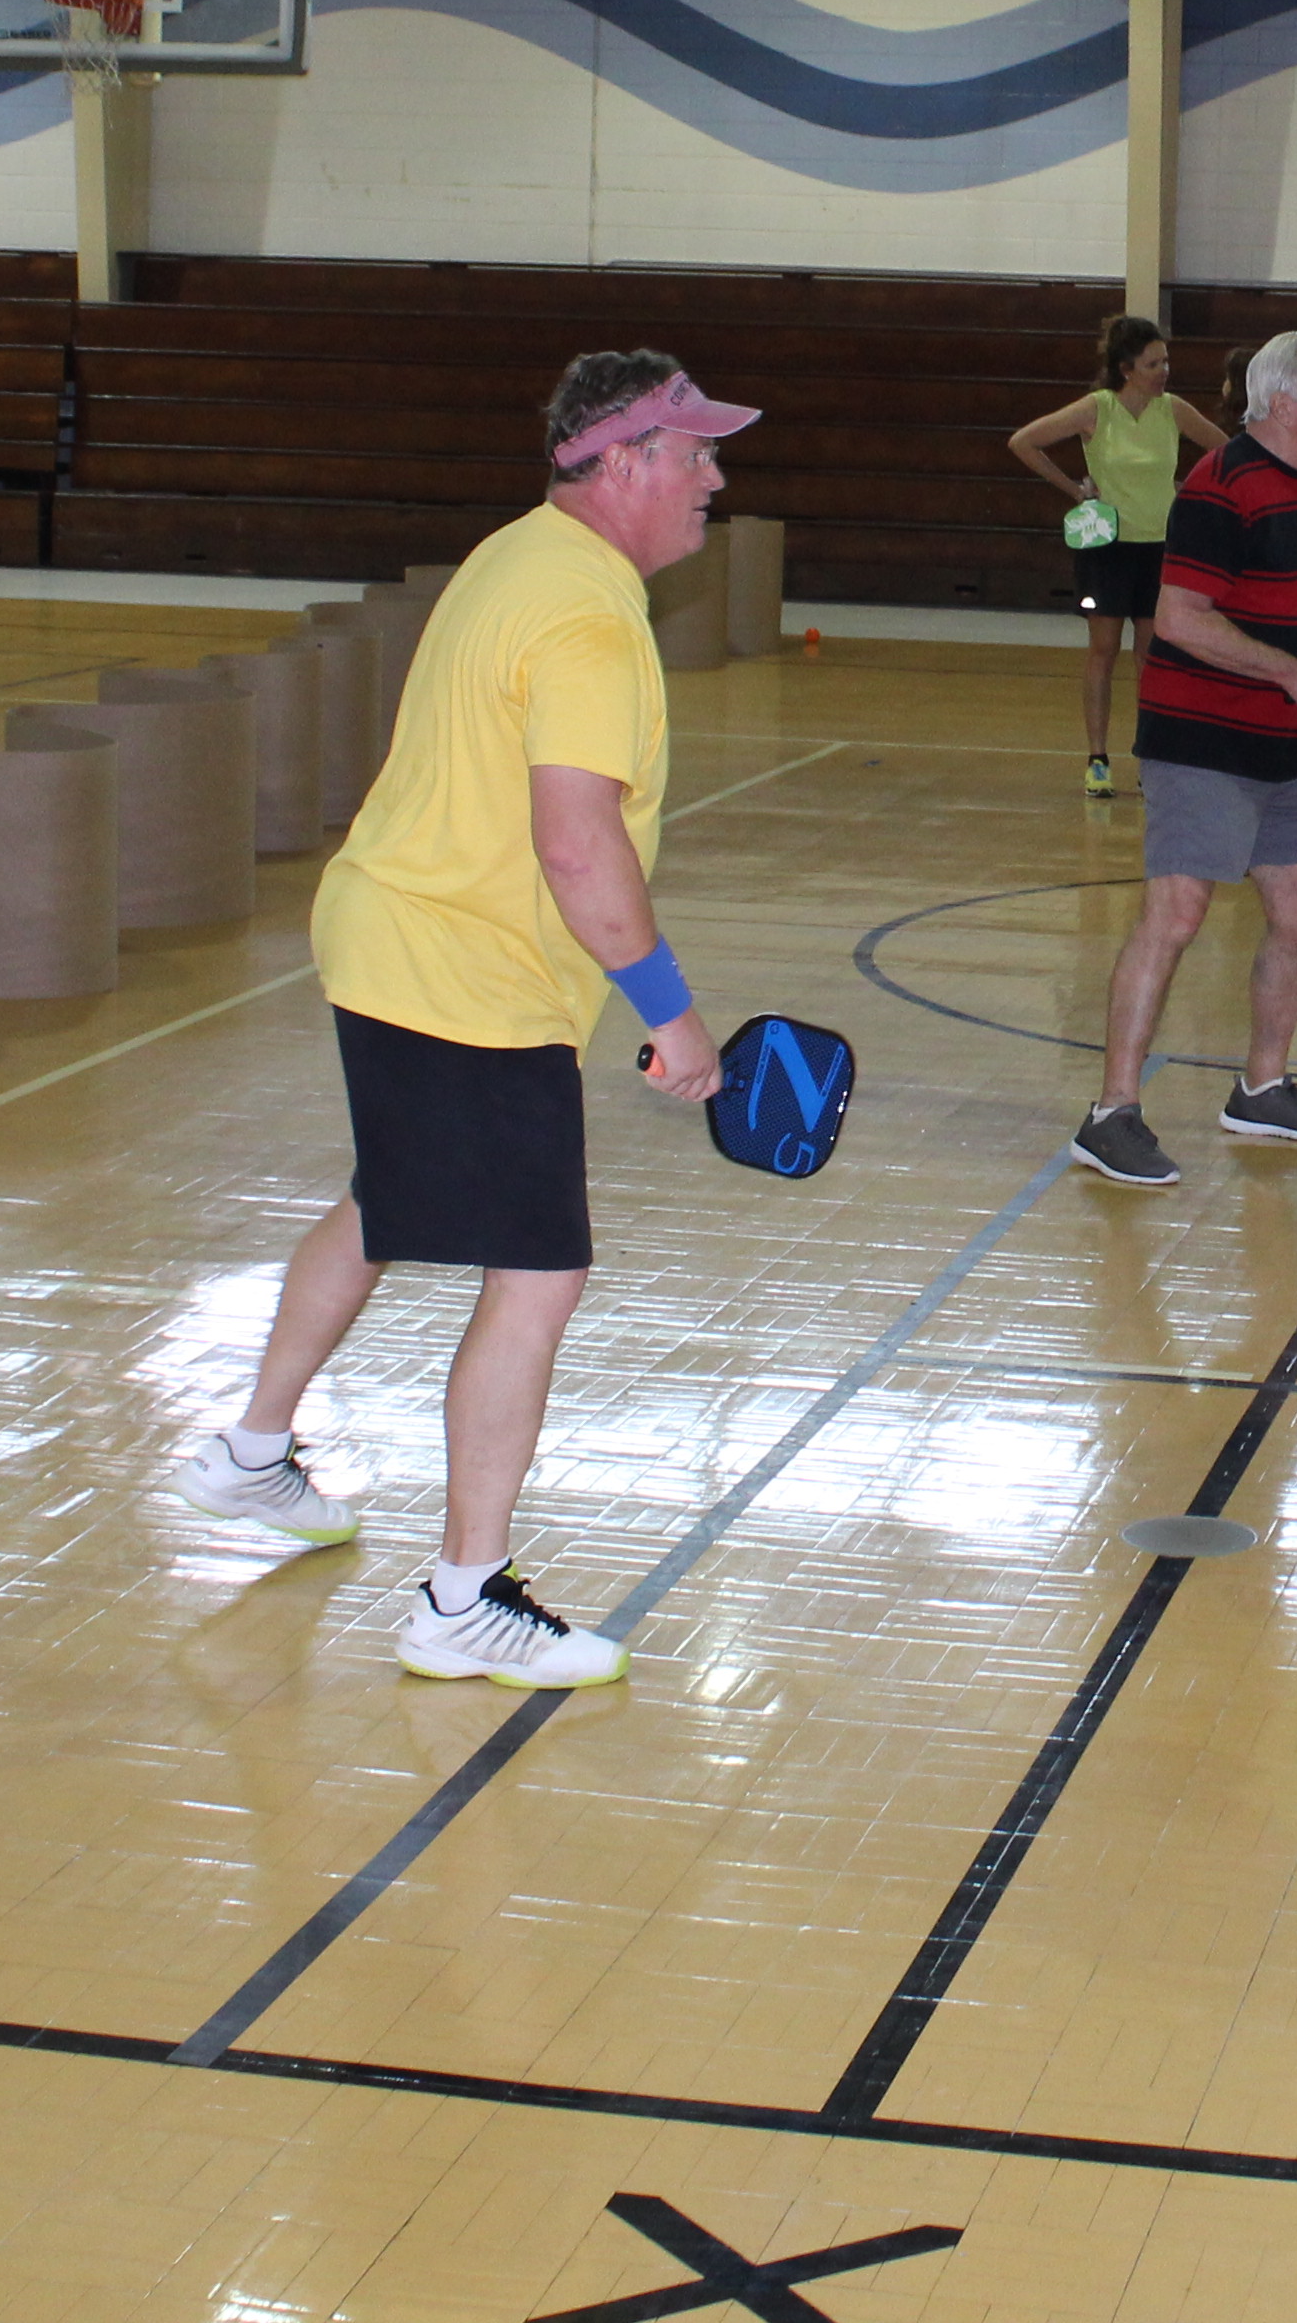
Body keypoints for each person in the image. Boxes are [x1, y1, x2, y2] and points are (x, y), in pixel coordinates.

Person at [172, 347, 758, 1686]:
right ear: (626, 462)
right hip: (464, 973)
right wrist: (670, 1013)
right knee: (539, 1275)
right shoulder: (588, 617)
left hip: (391, 932)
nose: (717, 478)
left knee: (388, 1201)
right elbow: (576, 843)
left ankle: (252, 1454)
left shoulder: (519, 554)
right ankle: (460, 1598)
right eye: (697, 453)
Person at [1070, 328, 1297, 1190]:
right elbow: (1180, 617)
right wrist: (1291, 672)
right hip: (1200, 740)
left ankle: (1262, 1090)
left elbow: (1246, 596)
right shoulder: (1223, 485)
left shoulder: (1295, 485)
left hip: (1273, 745)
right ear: (1282, 402)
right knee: (1175, 916)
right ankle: (1110, 1115)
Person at [1002, 312, 1231, 798]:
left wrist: (1187, 491)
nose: (1164, 371)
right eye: (1153, 363)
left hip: (1161, 549)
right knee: (1103, 652)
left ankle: (1151, 758)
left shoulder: (1174, 410)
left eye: (1165, 361)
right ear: (1126, 368)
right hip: (1106, 548)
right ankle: (1098, 760)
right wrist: (1075, 491)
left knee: (1152, 657)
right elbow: (1024, 442)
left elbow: (1228, 452)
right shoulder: (1096, 410)